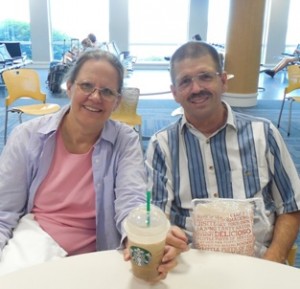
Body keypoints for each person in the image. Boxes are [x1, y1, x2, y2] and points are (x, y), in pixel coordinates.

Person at [0, 49, 187, 279]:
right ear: (69, 87)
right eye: (86, 86)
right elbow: (3, 213)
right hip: (37, 249)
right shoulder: (27, 137)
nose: (95, 97)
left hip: (96, 259)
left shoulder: (125, 141)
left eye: (107, 91)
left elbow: (131, 200)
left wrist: (140, 236)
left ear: (117, 101)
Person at [145, 41, 300, 264]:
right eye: (185, 81)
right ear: (175, 93)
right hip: (190, 265)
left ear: (223, 81)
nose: (196, 88)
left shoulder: (264, 133)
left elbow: (292, 206)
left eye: (205, 77)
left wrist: (272, 260)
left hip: (258, 262)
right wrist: (165, 236)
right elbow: (159, 216)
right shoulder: (162, 145)